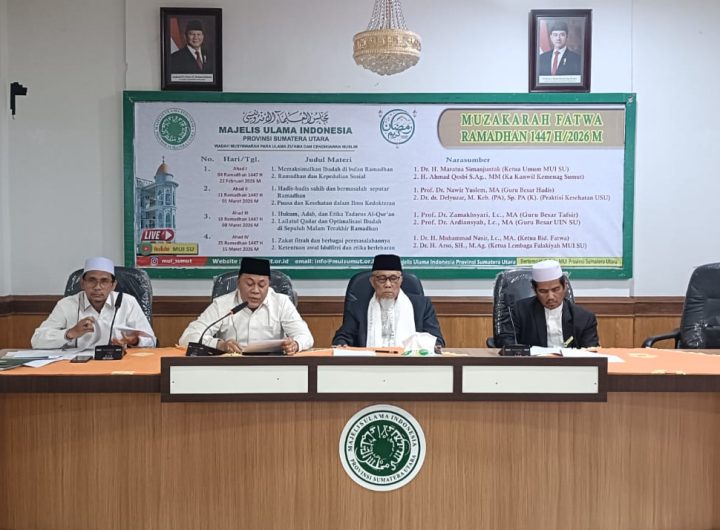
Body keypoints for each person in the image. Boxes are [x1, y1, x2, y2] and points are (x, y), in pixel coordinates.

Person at [178, 257, 313, 355]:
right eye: (249, 284)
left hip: (272, 368)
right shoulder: (222, 304)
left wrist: (295, 344)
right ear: (238, 283)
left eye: (262, 285)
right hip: (230, 368)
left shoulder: (281, 303)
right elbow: (188, 337)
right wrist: (220, 345)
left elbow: (305, 336)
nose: (255, 290)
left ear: (269, 285)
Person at [31, 257, 156, 350]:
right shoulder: (67, 305)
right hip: (76, 367)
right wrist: (70, 333)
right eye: (92, 280)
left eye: (104, 281)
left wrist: (135, 341)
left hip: (116, 364)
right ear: (82, 283)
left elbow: (151, 341)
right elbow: (36, 341)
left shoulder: (127, 302)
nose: (97, 287)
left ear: (113, 285)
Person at [332, 254, 445, 352]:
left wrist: (425, 345)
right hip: (369, 365)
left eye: (393, 278)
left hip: (410, 365)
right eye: (382, 278)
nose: (388, 284)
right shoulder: (359, 307)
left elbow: (437, 341)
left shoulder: (422, 306)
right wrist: (342, 344)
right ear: (372, 281)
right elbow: (343, 337)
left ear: (401, 280)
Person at [497, 260, 599, 348]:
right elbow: (507, 344)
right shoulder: (519, 311)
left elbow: (591, 354)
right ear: (534, 290)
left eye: (556, 289)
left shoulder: (584, 318)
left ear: (565, 286)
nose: (550, 297)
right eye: (543, 291)